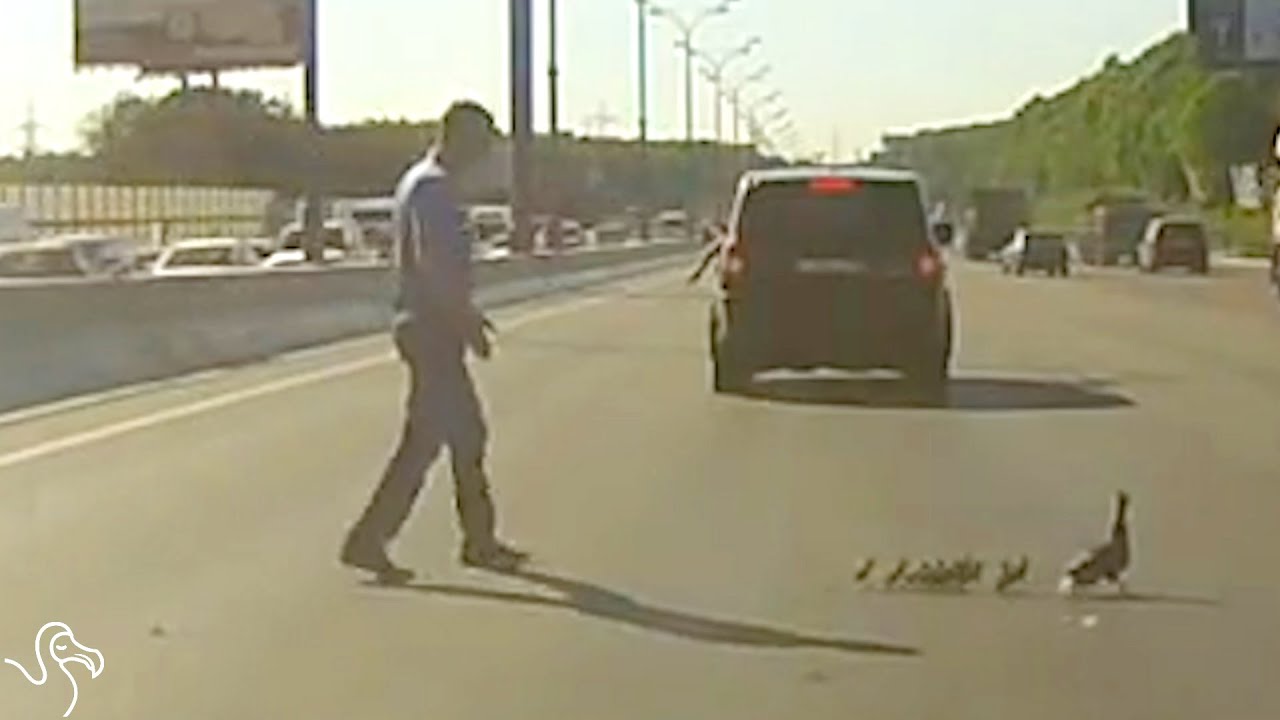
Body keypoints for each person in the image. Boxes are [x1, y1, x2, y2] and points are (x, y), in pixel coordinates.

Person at [341, 101, 528, 581]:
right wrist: (463, 320)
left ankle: (469, 540)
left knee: (447, 436)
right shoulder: (433, 190)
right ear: (460, 139)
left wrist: (468, 316)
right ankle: (379, 539)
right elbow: (434, 263)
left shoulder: (421, 183)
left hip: (427, 324)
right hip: (431, 328)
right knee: (442, 438)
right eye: (481, 145)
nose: (484, 156)